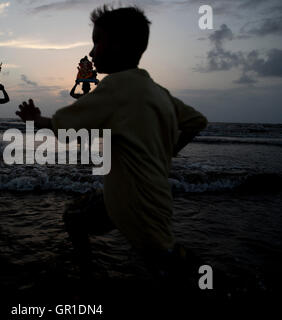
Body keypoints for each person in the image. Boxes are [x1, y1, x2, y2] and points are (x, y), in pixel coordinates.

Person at [16, 6, 208, 282]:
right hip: (126, 197)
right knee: (76, 216)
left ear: (118, 45)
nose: (92, 53)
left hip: (138, 206)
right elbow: (195, 121)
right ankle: (86, 273)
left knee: (167, 263)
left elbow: (65, 125)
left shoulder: (116, 86)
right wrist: (167, 151)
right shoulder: (155, 90)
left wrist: (35, 119)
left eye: (97, 41)